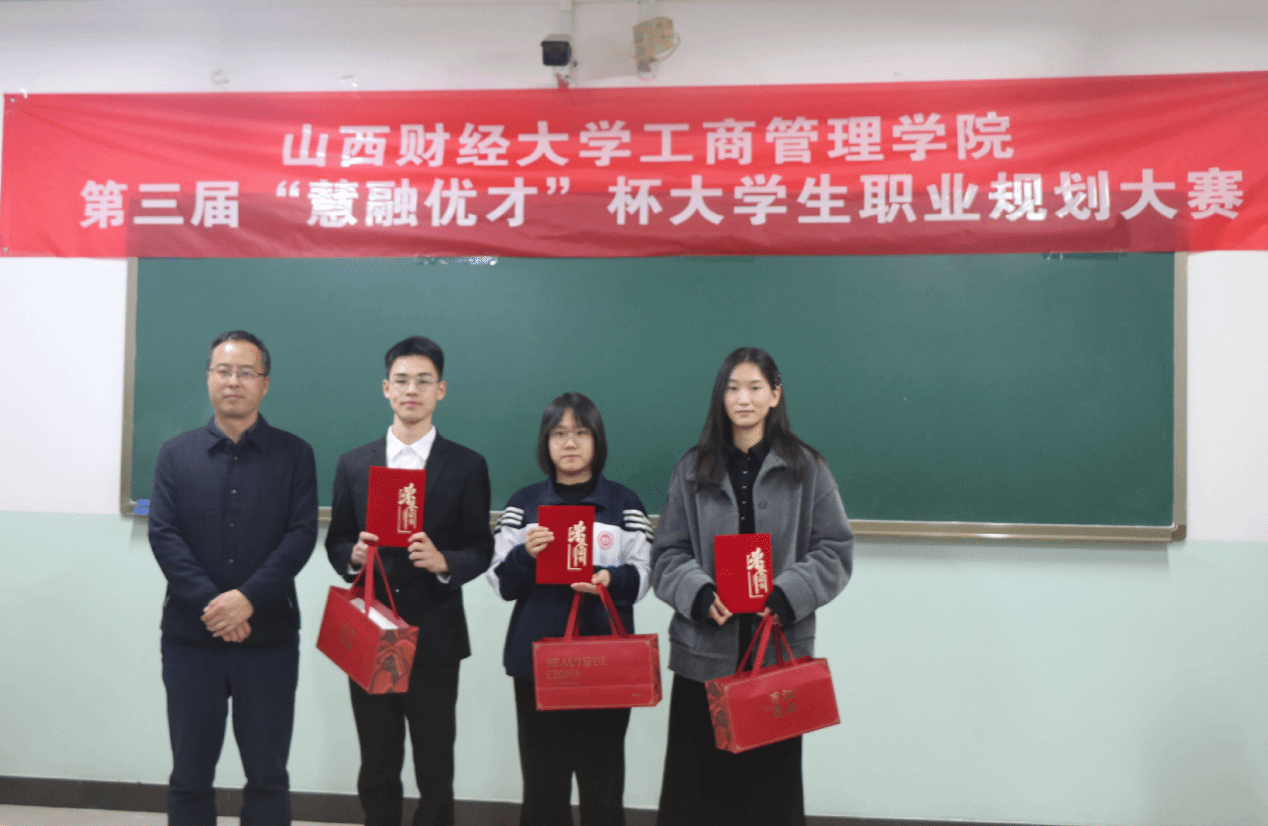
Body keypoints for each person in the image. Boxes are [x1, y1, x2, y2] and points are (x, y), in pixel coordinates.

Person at [650, 347, 854, 826]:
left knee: (768, 792)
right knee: (698, 790)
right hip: (705, 652)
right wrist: (698, 592)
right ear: (721, 397)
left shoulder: (807, 468)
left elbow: (835, 549)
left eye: (755, 388)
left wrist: (789, 593)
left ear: (775, 395)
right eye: (733, 388)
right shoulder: (692, 468)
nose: (743, 399)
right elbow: (666, 555)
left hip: (777, 652)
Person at [148, 330, 318, 826]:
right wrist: (214, 605)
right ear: (208, 378)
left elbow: (300, 535)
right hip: (190, 638)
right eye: (223, 371)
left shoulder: (295, 454)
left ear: (265, 384)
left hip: (268, 639)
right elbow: (164, 535)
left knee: (268, 775)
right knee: (189, 774)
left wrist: (247, 599)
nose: (233, 382)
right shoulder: (175, 454)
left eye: (246, 372)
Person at [325, 335, 494, 826]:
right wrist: (352, 556)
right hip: (371, 629)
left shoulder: (466, 465)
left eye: (423, 380)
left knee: (435, 763)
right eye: (401, 380)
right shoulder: (354, 463)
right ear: (386, 388)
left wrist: (444, 562)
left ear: (441, 390)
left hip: (435, 635)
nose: (411, 390)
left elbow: (480, 548)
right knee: (377, 760)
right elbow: (337, 541)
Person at [487, 392, 653, 826]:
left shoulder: (624, 504)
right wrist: (525, 554)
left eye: (581, 432)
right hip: (536, 663)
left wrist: (611, 578)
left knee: (603, 785)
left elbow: (645, 577)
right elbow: (501, 583)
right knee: (543, 785)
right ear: (546, 442)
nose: (570, 443)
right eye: (558, 434)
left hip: (606, 665)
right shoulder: (523, 505)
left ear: (597, 440)